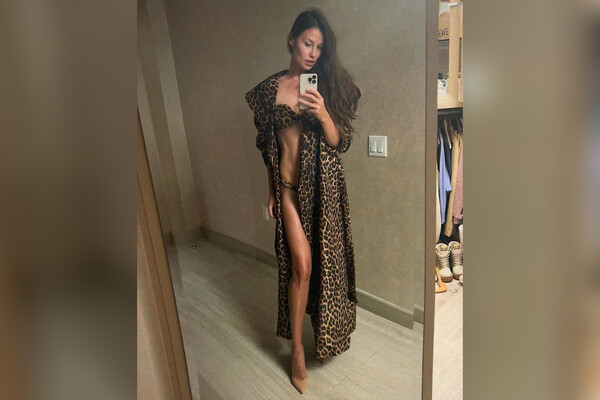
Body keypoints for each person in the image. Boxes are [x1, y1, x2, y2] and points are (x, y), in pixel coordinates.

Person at [244, 7, 361, 394]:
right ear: (292, 40)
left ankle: (324, 336)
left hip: (323, 191)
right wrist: (271, 190)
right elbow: (267, 146)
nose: (313, 53)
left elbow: (339, 142)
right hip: (289, 190)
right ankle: (296, 351)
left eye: (319, 47)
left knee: (326, 268)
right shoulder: (268, 92)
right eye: (308, 43)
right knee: (302, 266)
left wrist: (323, 113)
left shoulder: (324, 85)